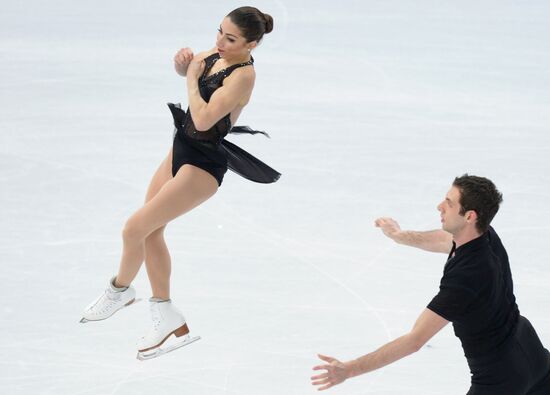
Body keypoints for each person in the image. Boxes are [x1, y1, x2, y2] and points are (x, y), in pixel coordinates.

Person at [80, 6, 280, 359]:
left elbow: (203, 119)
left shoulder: (243, 76)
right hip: (179, 150)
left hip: (202, 166)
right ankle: (166, 314)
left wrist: (189, 76)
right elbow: (193, 74)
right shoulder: (213, 55)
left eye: (230, 38)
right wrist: (182, 64)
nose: (219, 41)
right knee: (151, 231)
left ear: (252, 44)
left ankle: (121, 289)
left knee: (133, 229)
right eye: (219, 31)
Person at [311, 175, 550, 394]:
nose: (440, 206)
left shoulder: (466, 279)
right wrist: (399, 235)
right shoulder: (484, 234)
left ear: (470, 216)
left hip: (501, 375)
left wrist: (350, 369)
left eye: (449, 202)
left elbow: (414, 341)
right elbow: (444, 239)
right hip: (533, 352)